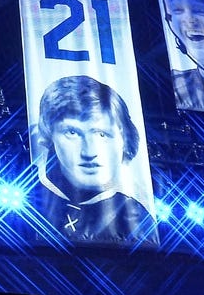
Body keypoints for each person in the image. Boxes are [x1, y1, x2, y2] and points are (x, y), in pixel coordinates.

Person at [33, 75, 155, 246]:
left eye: (101, 134)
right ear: (49, 137)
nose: (89, 152)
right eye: (72, 133)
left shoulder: (136, 215)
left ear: (124, 141)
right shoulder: (29, 203)